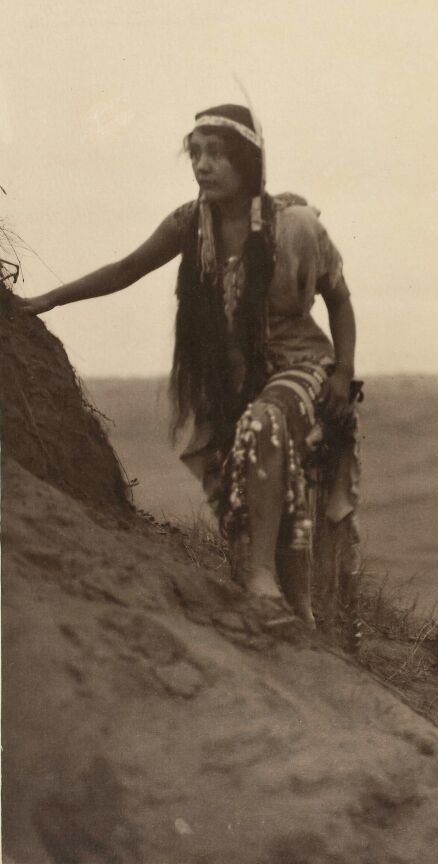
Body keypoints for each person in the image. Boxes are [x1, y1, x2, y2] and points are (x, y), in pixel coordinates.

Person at [18, 103, 361, 631]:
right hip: (231, 381)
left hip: (300, 364)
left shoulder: (294, 226)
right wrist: (48, 301)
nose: (203, 165)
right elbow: (127, 268)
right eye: (196, 154)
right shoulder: (189, 224)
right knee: (247, 484)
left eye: (216, 155)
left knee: (264, 426)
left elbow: (339, 299)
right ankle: (297, 615)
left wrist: (342, 372)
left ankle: (262, 582)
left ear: (247, 162)